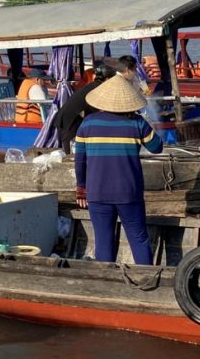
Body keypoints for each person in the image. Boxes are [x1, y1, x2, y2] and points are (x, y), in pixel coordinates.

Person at [74, 75, 164, 265]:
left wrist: (81, 188)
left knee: (103, 242)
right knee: (139, 240)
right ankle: (145, 283)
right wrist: (148, 123)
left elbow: (79, 161)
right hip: (129, 192)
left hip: (97, 192)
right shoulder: (138, 123)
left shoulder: (88, 123)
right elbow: (157, 147)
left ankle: (107, 285)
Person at [50, 60, 116, 153]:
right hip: (69, 120)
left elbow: (91, 109)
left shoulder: (94, 85)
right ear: (107, 78)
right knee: (70, 149)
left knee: (74, 146)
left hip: (67, 117)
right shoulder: (98, 88)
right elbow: (96, 109)